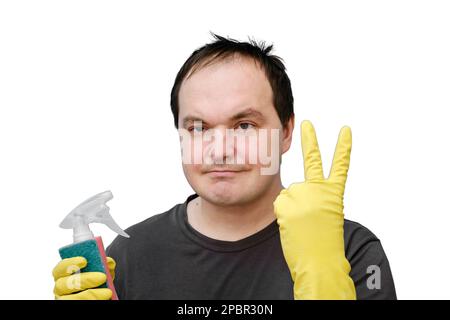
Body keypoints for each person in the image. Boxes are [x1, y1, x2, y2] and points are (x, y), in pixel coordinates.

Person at [52, 33, 396, 300]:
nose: (219, 151)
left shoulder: (352, 248)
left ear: (286, 132)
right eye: (198, 128)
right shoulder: (129, 254)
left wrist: (324, 276)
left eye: (244, 126)